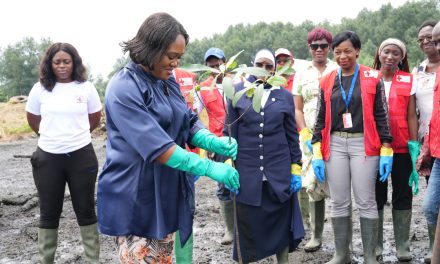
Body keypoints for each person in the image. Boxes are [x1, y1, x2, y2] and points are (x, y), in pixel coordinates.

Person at [96, 12, 240, 263]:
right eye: (171, 57)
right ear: (150, 48)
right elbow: (157, 146)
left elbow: (188, 120)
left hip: (165, 191)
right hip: (136, 195)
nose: (175, 64)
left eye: (179, 58)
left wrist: (210, 140)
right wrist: (207, 166)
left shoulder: (167, 81)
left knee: (165, 256)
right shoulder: (124, 88)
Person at [311, 31, 393, 264]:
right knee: (338, 201)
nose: (342, 56)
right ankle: (341, 254)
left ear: (357, 50)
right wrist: (317, 151)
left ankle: (369, 256)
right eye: (337, 52)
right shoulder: (327, 80)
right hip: (335, 144)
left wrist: (386, 149)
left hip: (364, 145)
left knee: (365, 200)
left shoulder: (372, 77)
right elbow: (320, 118)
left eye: (347, 51)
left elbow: (381, 115)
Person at [25, 42, 102, 263]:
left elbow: (94, 118)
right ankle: (46, 259)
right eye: (57, 62)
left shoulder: (85, 87)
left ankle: (92, 259)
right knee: (48, 212)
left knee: (86, 210)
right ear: (50, 64)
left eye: (66, 62)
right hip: (48, 158)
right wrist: (52, 137)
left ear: (74, 63)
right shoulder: (39, 89)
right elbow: (33, 119)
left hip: (82, 156)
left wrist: (75, 136)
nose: (61, 66)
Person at [226, 49, 304, 263]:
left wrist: (295, 168)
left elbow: (291, 136)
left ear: (275, 69)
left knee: (280, 222)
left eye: (269, 66)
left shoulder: (285, 96)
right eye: (260, 64)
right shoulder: (237, 93)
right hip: (247, 171)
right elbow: (229, 134)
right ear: (252, 64)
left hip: (278, 171)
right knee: (249, 226)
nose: (264, 69)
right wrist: (228, 167)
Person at [372, 38, 418, 262]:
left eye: (395, 53)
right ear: (379, 54)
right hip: (375, 148)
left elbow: (411, 115)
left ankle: (402, 246)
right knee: (376, 195)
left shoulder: (409, 80)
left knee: (403, 193)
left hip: (401, 147)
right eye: (386, 52)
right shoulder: (369, 78)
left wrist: (414, 143)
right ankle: (377, 247)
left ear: (402, 57)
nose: (390, 57)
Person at [292, 27, 338, 253]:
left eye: (323, 45)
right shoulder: (302, 73)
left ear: (330, 47)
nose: (319, 50)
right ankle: (316, 235)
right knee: (312, 184)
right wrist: (304, 133)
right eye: (314, 46)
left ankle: (342, 238)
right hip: (310, 136)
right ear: (308, 48)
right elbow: (298, 108)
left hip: (335, 134)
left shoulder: (338, 69)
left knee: (338, 183)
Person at [198, 47, 235, 246]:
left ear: (225, 62)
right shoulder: (203, 88)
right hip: (218, 142)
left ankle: (245, 226)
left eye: (218, 63)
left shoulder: (237, 82)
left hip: (240, 140)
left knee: (244, 182)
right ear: (206, 66)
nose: (215, 68)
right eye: (211, 65)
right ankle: (230, 230)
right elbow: (195, 115)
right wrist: (205, 143)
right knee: (223, 186)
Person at [421, 20, 440, 264]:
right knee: (429, 207)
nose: (436, 45)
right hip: (438, 152)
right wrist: (427, 147)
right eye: (436, 42)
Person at [413, 20, 440, 184]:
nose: (424, 41)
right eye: (420, 39)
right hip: (427, 139)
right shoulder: (417, 71)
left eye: (429, 37)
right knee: (433, 185)